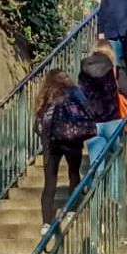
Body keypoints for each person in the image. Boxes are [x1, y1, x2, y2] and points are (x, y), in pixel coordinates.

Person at [35, 69, 95, 234]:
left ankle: (46, 223)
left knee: (49, 182)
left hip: (52, 142)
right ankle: (71, 208)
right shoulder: (74, 92)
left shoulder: (46, 95)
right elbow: (88, 110)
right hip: (72, 137)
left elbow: (39, 121)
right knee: (74, 173)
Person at [78, 40, 127, 164]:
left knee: (96, 163)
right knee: (117, 159)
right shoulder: (115, 70)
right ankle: (116, 177)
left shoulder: (84, 70)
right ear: (111, 53)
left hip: (92, 123)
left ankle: (97, 177)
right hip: (112, 120)